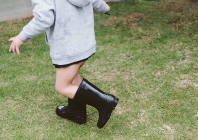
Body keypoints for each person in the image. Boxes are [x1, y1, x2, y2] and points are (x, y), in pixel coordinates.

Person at [9, 0, 119, 128]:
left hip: (68, 47)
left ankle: (105, 102)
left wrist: (21, 37)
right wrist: (104, 7)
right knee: (73, 78)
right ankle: (76, 112)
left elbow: (44, 18)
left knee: (62, 87)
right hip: (85, 42)